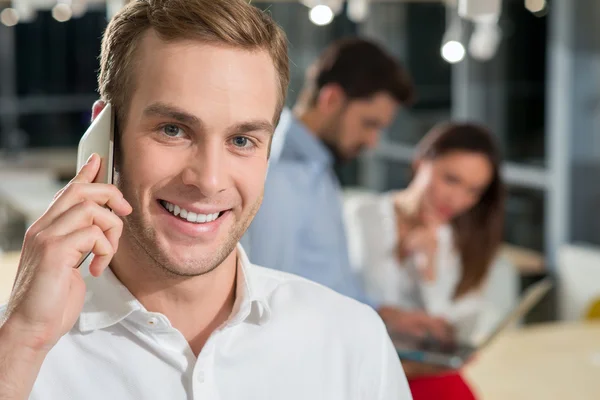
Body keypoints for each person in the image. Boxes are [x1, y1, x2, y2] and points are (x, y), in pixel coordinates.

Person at [0, 1, 412, 399]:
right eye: (173, 130)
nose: (209, 181)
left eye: (241, 140)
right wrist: (22, 343)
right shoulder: (22, 347)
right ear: (105, 134)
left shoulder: (354, 342)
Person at [244, 38, 440, 334]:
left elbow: (330, 284)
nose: (372, 142)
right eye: (368, 124)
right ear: (331, 99)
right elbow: (267, 303)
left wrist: (384, 315)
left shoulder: (319, 168)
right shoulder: (279, 173)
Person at [344, 122, 505, 388]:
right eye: (451, 179)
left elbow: (450, 331)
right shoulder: (361, 215)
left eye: (473, 191)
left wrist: (427, 268)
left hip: (423, 371)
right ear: (421, 161)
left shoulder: (466, 239)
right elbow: (344, 296)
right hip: (362, 364)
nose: (457, 199)